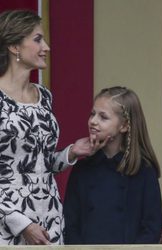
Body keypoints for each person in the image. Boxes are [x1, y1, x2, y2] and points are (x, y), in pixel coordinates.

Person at [0, 9, 107, 245]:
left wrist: (71, 152)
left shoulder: (44, 97)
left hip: (49, 218)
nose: (46, 47)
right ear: (14, 47)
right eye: (38, 39)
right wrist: (22, 223)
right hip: (6, 225)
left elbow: (41, 165)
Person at [64, 86, 162, 244]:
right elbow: (70, 224)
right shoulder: (82, 169)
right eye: (92, 114)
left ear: (123, 126)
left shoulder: (143, 171)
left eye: (103, 117)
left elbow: (152, 228)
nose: (93, 121)